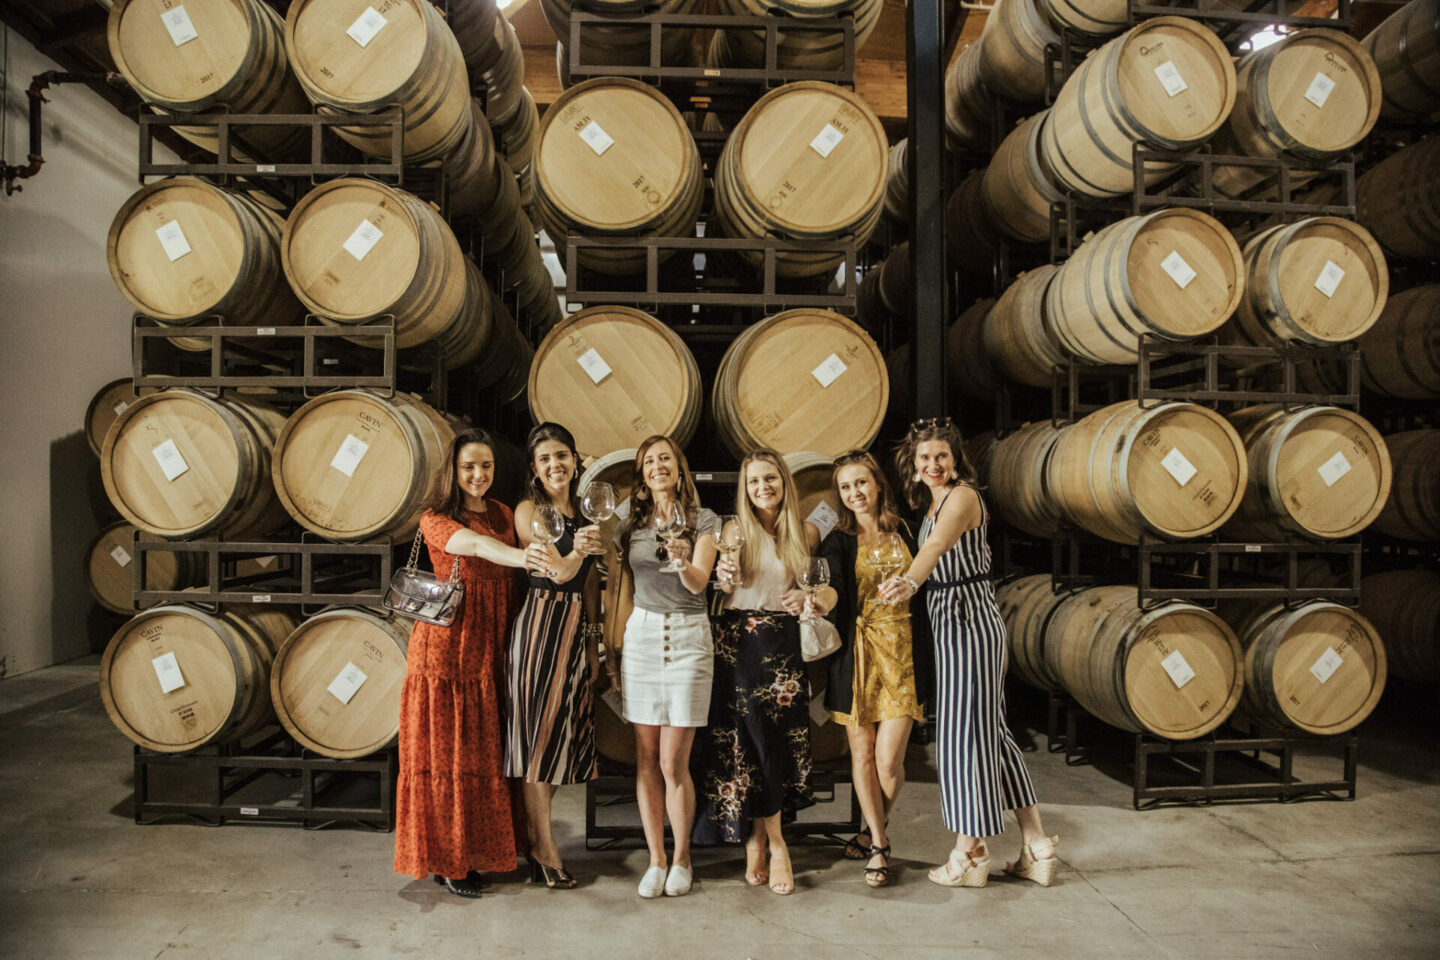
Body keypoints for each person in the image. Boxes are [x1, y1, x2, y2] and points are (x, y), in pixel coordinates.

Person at [877, 417, 1059, 888]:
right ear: (914, 468)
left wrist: (911, 581)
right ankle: (1035, 843)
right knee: (991, 733)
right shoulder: (935, 500)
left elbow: (937, 547)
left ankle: (967, 851)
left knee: (961, 737)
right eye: (924, 458)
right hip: (953, 616)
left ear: (955, 459)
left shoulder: (961, 497)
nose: (933, 464)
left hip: (967, 617)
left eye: (941, 456)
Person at [394, 427, 533, 898]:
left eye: (486, 466)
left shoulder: (502, 512)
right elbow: (474, 548)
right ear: (452, 472)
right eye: (469, 466)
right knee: (449, 757)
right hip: (449, 651)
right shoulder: (435, 519)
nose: (478, 474)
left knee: (482, 756)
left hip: (490, 649)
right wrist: (523, 556)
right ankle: (450, 862)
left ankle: (478, 851)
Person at [694, 449, 818, 896]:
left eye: (770, 479)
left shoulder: (806, 533)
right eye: (753, 482)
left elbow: (813, 588)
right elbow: (724, 585)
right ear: (744, 490)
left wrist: (810, 596)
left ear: (785, 482)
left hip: (783, 648)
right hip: (738, 645)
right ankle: (771, 843)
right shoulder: (733, 530)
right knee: (746, 745)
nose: (762, 488)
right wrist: (722, 577)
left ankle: (762, 839)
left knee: (776, 745)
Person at [812, 450, 933, 889]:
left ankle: (869, 830)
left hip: (904, 654)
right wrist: (819, 599)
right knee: (861, 755)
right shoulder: (839, 540)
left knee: (888, 761)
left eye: (861, 483)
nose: (854, 493)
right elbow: (834, 587)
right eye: (846, 487)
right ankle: (879, 841)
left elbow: (929, 581)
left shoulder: (906, 530)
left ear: (878, 484)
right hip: (858, 657)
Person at [606, 435, 720, 899]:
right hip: (643, 636)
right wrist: (610, 650)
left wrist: (682, 560)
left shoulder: (704, 520)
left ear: (679, 467)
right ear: (642, 473)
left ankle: (682, 859)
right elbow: (614, 581)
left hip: (690, 634)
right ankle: (655, 860)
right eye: (649, 461)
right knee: (647, 758)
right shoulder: (628, 521)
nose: (657, 467)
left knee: (675, 761)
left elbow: (698, 585)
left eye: (665, 459)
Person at [506, 422, 605, 889]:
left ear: (575, 459)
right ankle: (542, 846)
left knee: (557, 739)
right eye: (544, 459)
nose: (554, 465)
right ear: (534, 468)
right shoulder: (531, 512)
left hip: (572, 628)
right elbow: (558, 572)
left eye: (561, 455)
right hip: (541, 624)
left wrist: (593, 640)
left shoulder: (587, 514)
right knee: (536, 741)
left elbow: (588, 587)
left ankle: (540, 841)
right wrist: (582, 550)